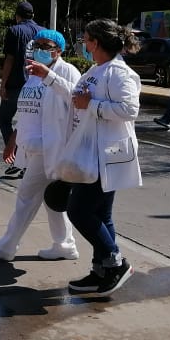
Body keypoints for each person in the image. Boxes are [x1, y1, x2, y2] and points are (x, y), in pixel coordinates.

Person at [43, 19, 142, 296]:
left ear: (96, 42)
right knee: (101, 215)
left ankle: (116, 263)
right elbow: (75, 95)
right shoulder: (97, 70)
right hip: (92, 152)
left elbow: (129, 109)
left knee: (79, 211)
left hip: (105, 155)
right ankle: (101, 270)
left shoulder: (119, 73)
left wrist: (93, 106)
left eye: (86, 39)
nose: (84, 44)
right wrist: (48, 77)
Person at [0, 29, 82, 262]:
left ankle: (6, 247)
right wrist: (13, 141)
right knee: (50, 198)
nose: (41, 49)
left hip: (51, 147)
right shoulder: (33, 72)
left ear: (59, 50)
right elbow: (28, 111)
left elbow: (77, 104)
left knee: (26, 196)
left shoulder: (67, 71)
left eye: (47, 46)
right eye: (38, 44)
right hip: (33, 145)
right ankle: (64, 245)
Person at [0, 2, 41, 143]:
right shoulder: (42, 31)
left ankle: (14, 156)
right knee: (32, 124)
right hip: (37, 86)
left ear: (17, 16)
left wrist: (3, 84)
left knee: (5, 121)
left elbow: (9, 59)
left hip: (16, 84)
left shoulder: (14, 31)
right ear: (33, 15)